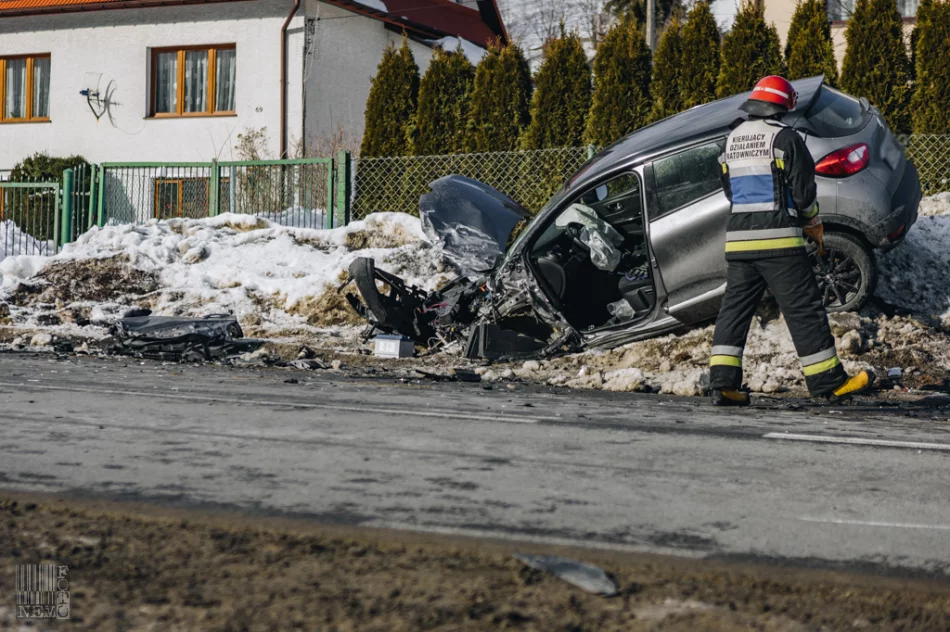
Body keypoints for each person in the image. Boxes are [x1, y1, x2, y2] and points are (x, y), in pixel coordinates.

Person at [709, 75, 874, 406]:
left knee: (734, 310)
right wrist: (811, 220)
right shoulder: (784, 138)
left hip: (739, 243)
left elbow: (730, 192)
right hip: (779, 242)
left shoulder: (731, 140)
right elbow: (804, 193)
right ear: (783, 106)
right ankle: (829, 382)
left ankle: (723, 383)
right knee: (805, 309)